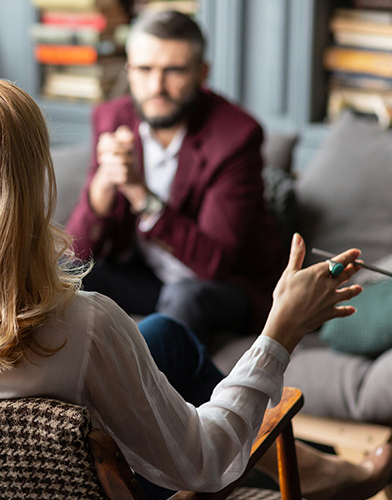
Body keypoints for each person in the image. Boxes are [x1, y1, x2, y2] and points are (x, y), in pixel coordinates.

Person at [0, 79, 392, 499]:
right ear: (31, 189)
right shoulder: (83, 328)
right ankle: (297, 465)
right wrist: (280, 331)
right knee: (164, 350)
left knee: (164, 334)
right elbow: (203, 465)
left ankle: (315, 469)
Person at [66, 10, 283, 345]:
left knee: (185, 298)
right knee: (63, 278)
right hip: (147, 279)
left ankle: (143, 396)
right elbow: (76, 252)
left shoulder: (236, 136)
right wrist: (104, 185)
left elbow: (213, 263)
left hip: (220, 287)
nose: (156, 87)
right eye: (144, 70)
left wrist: (139, 192)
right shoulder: (113, 118)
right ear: (129, 71)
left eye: (174, 71)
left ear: (202, 73)